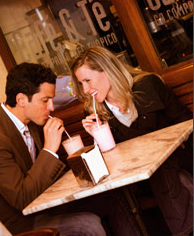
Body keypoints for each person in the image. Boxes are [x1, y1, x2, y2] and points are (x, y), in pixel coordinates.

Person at [71, 45, 193, 236]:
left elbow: (185, 121)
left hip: (178, 157)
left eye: (87, 80)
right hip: (141, 178)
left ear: (107, 70)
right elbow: (110, 161)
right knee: (175, 180)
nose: (85, 89)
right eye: (81, 83)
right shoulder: (95, 112)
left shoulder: (147, 85)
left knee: (167, 170)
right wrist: (96, 136)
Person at [0, 62, 107, 236]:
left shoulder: (31, 119)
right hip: (19, 222)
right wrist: (50, 149)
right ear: (21, 99)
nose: (52, 108)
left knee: (110, 199)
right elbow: (21, 199)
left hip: (46, 204)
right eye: (45, 100)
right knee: (87, 225)